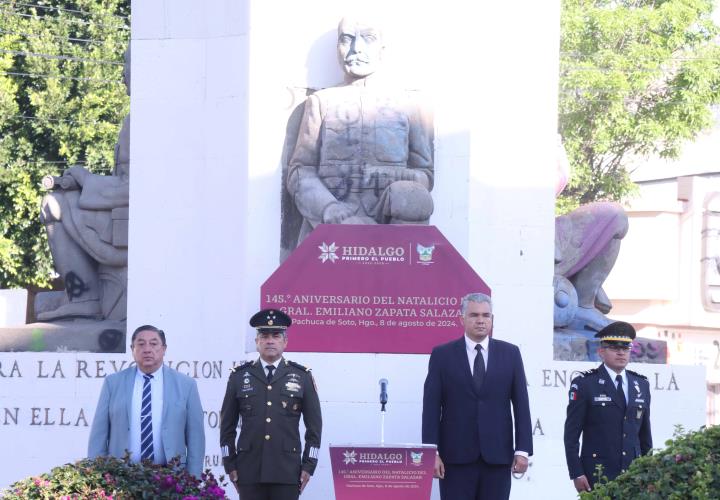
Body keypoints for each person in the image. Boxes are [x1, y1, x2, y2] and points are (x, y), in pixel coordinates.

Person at [285, 16, 434, 248]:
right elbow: (300, 171)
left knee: (414, 199)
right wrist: (328, 207)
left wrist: (396, 186)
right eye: (347, 39)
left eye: (368, 38)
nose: (356, 49)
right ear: (338, 49)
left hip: (392, 228)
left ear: (382, 49)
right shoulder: (321, 102)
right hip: (331, 229)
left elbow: (425, 173)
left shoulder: (410, 105)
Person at [38, 48, 131, 321]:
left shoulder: (146, 121)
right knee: (59, 198)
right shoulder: (136, 120)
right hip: (120, 212)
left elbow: (137, 188)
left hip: (133, 224)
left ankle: (85, 297)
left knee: (52, 204)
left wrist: (86, 180)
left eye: (126, 66)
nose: (123, 76)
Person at [422, 293, 533, 500]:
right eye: (474, 315)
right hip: (455, 459)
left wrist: (523, 450)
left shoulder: (511, 354)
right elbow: (430, 408)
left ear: (492, 319)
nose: (481, 320)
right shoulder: (442, 355)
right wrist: (432, 453)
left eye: (486, 315)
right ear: (461, 318)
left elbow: (521, 405)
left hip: (498, 457)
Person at [220, 309, 322, 499]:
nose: (270, 341)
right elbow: (227, 427)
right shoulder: (239, 376)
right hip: (248, 470)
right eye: (264, 336)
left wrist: (309, 465)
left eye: (276, 336)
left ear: (285, 342)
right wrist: (230, 464)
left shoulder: (302, 376)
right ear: (256, 342)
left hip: (287, 471)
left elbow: (314, 428)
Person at [87, 324, 206, 476]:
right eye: (141, 344)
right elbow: (99, 433)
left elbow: (196, 437)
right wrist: (96, 475)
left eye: (154, 344)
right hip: (122, 475)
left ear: (164, 349)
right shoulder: (113, 383)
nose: (147, 349)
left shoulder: (186, 385)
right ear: (133, 350)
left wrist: (193, 479)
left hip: (170, 477)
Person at [564, 321, 652, 492]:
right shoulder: (585, 384)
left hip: (634, 474)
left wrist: (649, 470)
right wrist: (576, 472)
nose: (621, 352)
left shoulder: (641, 384)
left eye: (625, 348)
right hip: (597, 474)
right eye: (614, 348)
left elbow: (645, 436)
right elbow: (571, 435)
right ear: (601, 352)